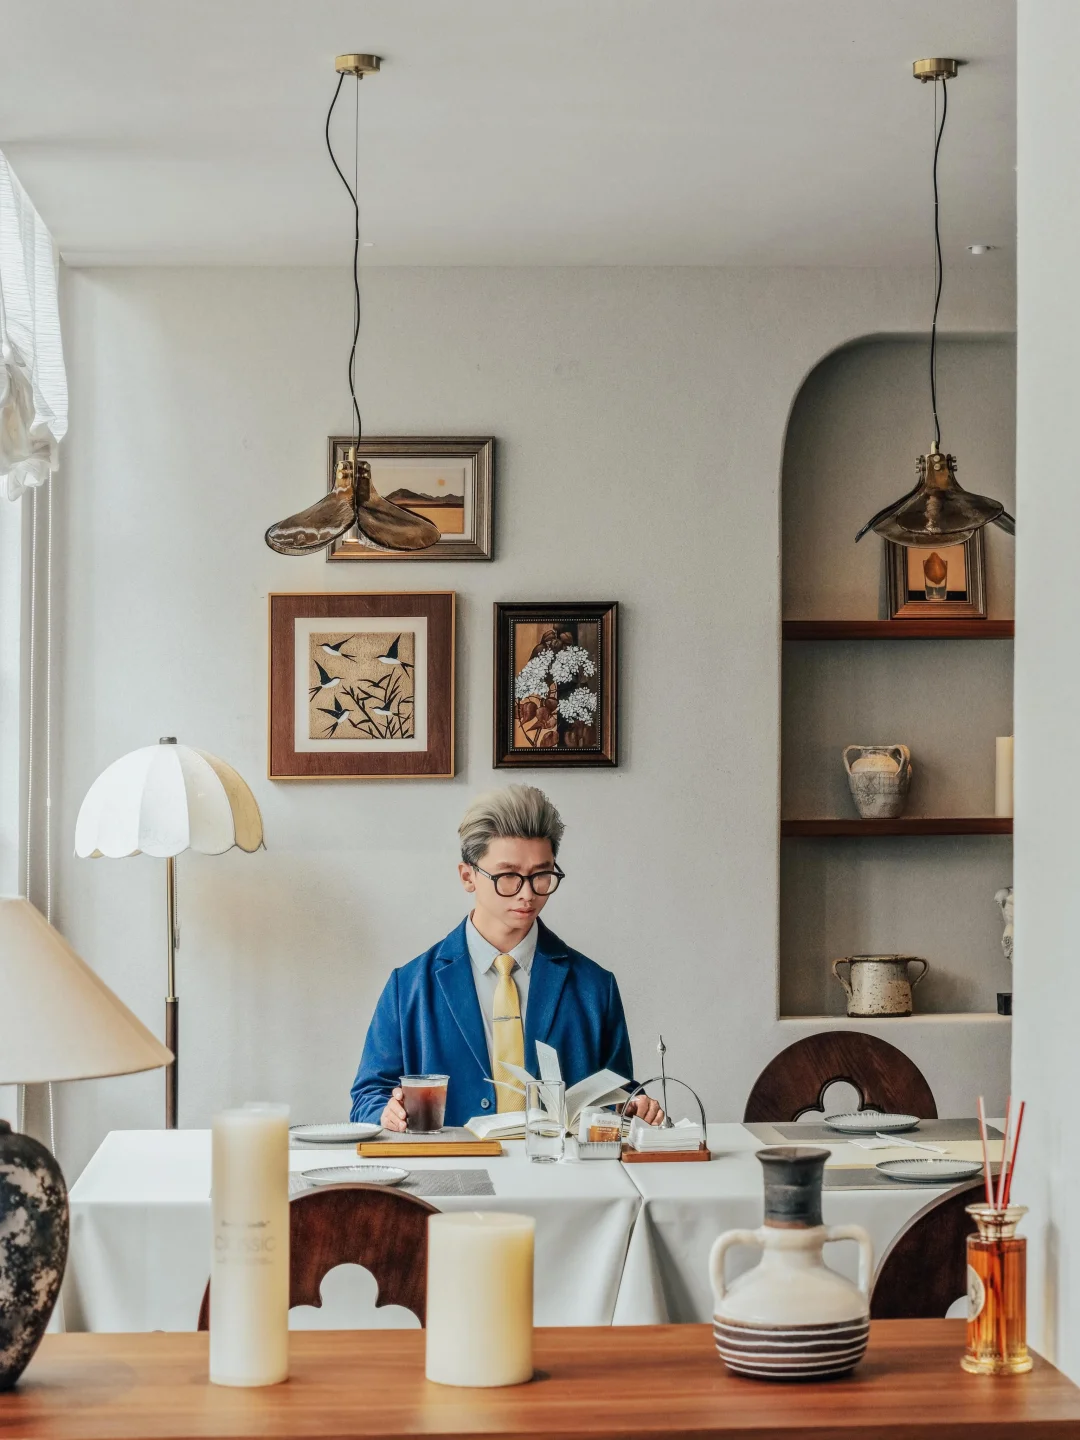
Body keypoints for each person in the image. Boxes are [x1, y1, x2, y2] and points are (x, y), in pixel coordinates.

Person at [350, 785, 662, 1130]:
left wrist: (633, 1106)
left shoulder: (595, 987)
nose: (527, 894)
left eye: (541, 875)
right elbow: (368, 1095)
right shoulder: (408, 987)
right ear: (468, 876)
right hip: (450, 1163)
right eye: (508, 876)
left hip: (559, 1164)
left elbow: (617, 1093)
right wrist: (387, 1113)